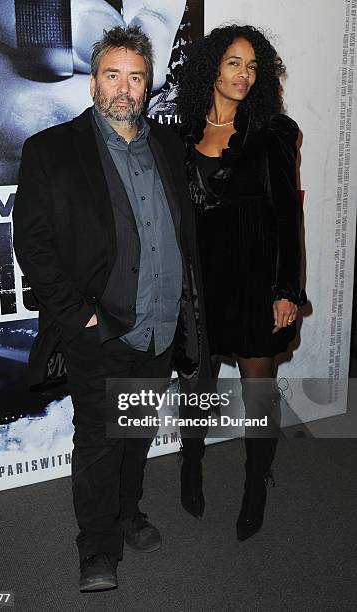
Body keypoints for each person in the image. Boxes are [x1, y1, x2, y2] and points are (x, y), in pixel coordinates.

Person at [13, 25, 208, 592]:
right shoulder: (51, 150)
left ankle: (129, 512)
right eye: (112, 75)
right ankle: (97, 548)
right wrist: (81, 314)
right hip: (100, 329)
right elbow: (35, 245)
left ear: (149, 84)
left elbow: (187, 232)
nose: (124, 89)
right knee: (100, 440)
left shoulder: (170, 147)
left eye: (136, 77)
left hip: (161, 325)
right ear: (93, 80)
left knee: (136, 430)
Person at [176, 24, 306, 539]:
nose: (244, 75)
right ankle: (191, 464)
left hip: (255, 284)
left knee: (258, 393)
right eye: (234, 62)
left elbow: (287, 219)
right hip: (201, 286)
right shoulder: (183, 134)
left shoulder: (272, 132)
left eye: (253, 66)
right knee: (196, 388)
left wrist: (287, 290)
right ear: (212, 67)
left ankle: (256, 482)